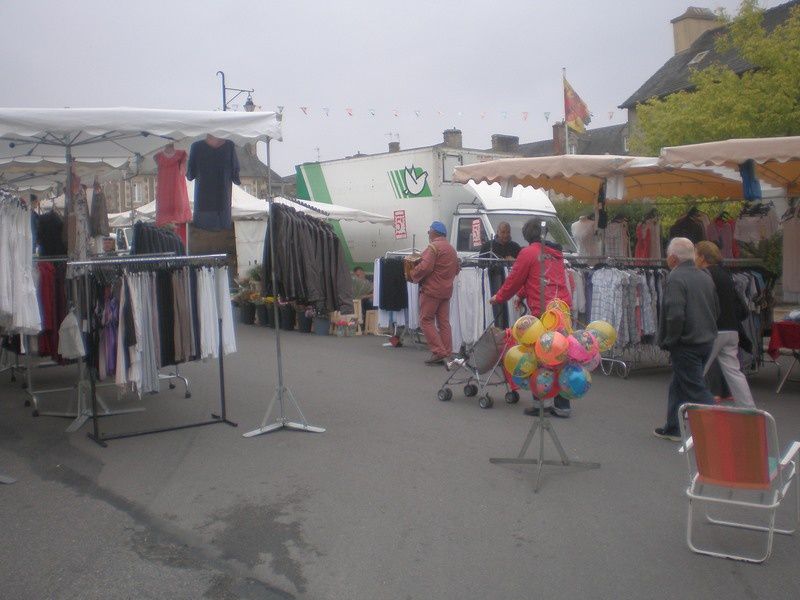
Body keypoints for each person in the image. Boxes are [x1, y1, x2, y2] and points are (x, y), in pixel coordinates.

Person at [489, 219, 573, 417]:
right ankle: (563, 404)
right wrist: (522, 294)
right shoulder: (555, 254)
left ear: (527, 235)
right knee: (558, 356)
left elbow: (514, 279)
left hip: (543, 312)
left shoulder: (528, 253)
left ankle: (540, 404)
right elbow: (541, 278)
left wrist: (498, 297)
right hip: (561, 310)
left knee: (538, 358)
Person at [654, 237, 719, 441]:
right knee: (679, 384)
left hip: (686, 342)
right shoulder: (705, 276)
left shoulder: (676, 278)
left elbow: (675, 314)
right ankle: (673, 427)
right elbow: (716, 309)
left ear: (673, 258)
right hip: (705, 340)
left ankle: (723, 428)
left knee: (696, 389)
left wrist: (670, 340)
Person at [695, 241, 755, 407]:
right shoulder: (725, 274)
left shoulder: (705, 275)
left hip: (713, 330)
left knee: (697, 372)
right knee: (734, 372)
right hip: (731, 329)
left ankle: (688, 412)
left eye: (695, 254)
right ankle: (749, 408)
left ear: (702, 257)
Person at [409, 221, 460, 365]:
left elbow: (424, 267)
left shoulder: (433, 247)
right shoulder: (451, 249)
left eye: (429, 231)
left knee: (426, 320)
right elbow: (457, 269)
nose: (428, 234)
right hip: (446, 291)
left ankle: (439, 352)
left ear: (434, 232)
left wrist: (412, 273)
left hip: (431, 290)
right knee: (444, 322)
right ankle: (447, 351)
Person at [480, 221, 521, 329]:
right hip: (493, 284)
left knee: (509, 312)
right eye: (503, 232)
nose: (505, 235)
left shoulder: (515, 247)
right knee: (495, 311)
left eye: (508, 232)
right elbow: (480, 265)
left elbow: (522, 264)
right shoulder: (488, 246)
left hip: (510, 285)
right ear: (497, 232)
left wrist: (514, 261)